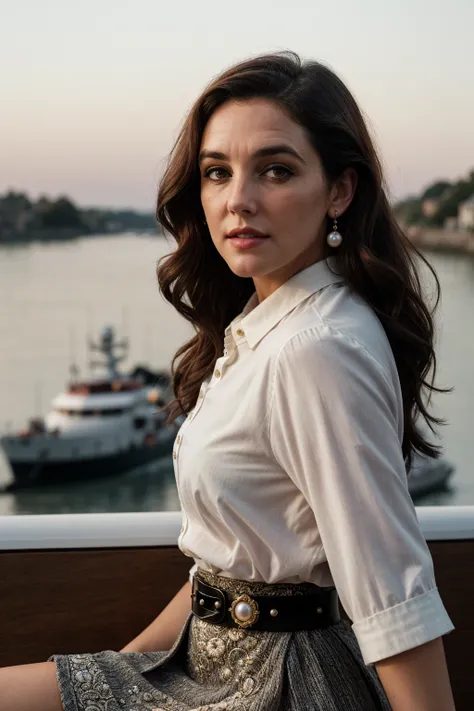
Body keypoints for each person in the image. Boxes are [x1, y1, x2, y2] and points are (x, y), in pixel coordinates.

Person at [1, 51, 456, 711]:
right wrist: (125, 666)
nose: (237, 200)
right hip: (204, 659)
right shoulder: (270, 323)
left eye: (276, 170)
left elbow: (393, 593)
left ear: (340, 190)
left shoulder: (314, 347)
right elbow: (229, 566)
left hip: (278, 684)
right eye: (217, 172)